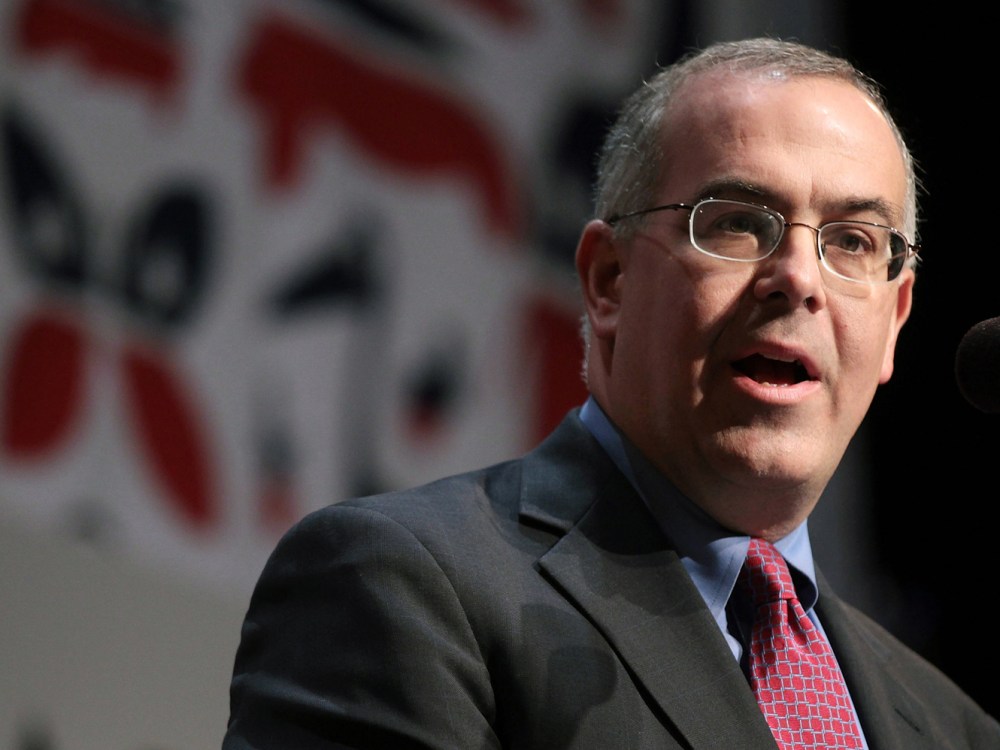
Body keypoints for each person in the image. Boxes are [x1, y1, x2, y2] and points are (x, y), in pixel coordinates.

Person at [222, 37, 1000, 749]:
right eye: (736, 223)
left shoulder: (949, 725)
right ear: (608, 280)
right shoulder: (404, 586)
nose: (798, 279)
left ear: (895, 319)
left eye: (853, 242)